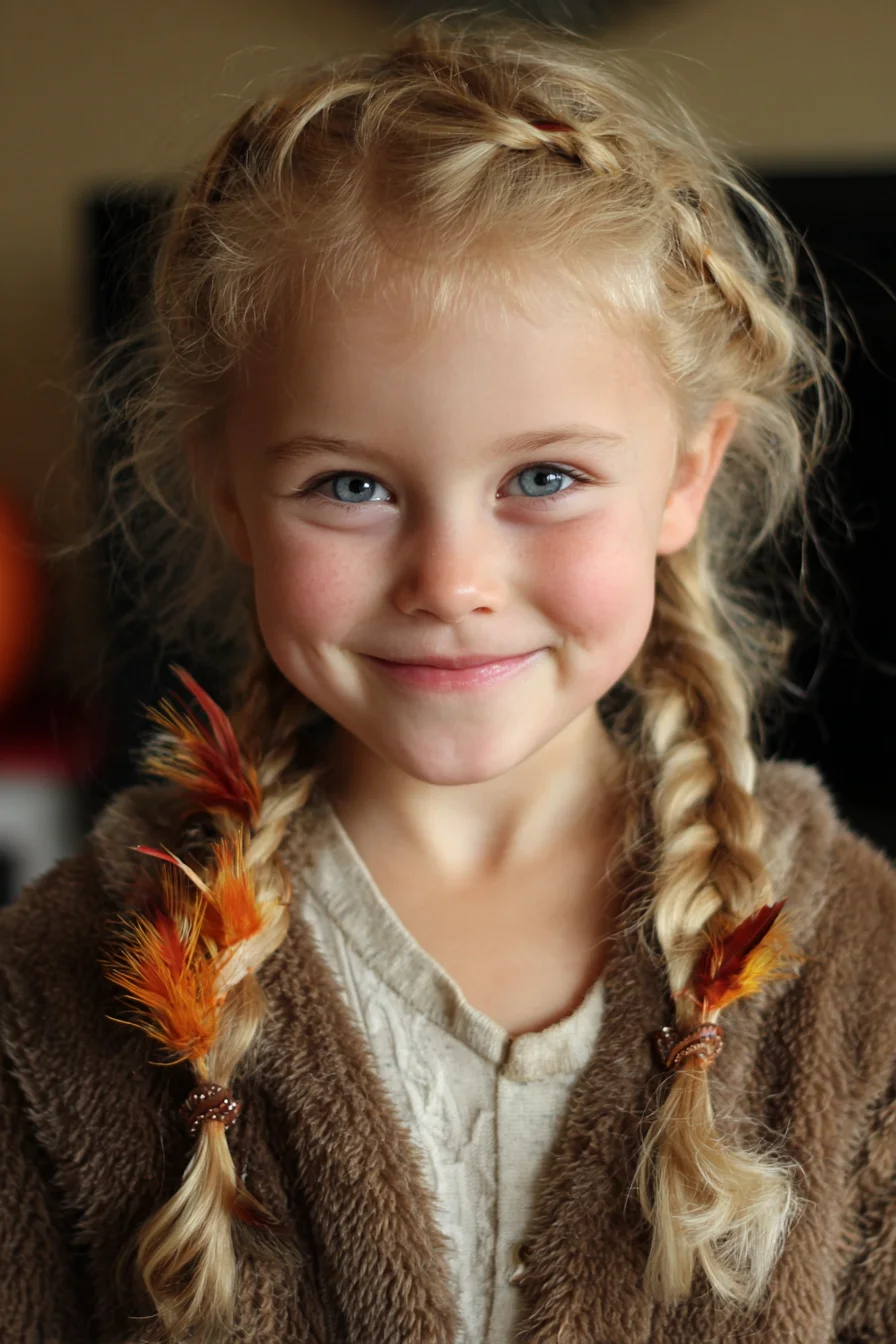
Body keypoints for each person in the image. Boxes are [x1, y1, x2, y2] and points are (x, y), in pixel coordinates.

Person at [1, 14, 894, 1344]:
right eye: (350, 486)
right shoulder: (69, 976)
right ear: (230, 492)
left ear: (687, 475)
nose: (450, 580)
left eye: (545, 476)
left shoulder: (861, 966)